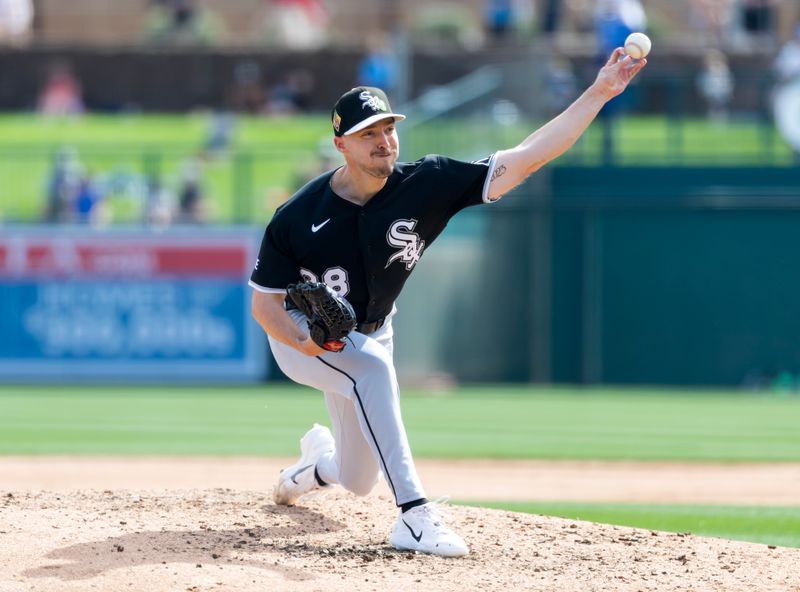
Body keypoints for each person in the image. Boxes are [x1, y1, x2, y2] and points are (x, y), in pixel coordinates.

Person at [249, 49, 646, 557]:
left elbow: (528, 156)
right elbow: (266, 309)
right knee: (370, 370)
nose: (383, 140)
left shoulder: (427, 183)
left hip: (373, 329)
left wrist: (601, 92)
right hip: (301, 338)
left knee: (357, 478)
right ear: (340, 144)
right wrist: (304, 339)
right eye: (368, 133)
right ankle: (414, 516)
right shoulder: (297, 215)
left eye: (388, 128)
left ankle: (313, 466)